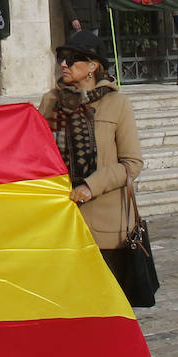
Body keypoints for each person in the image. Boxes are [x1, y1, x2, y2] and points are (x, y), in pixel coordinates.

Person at [38, 30, 144, 276]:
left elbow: (132, 163)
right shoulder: (51, 101)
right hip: (60, 219)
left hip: (104, 225)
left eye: (71, 58)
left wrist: (90, 186)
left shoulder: (117, 103)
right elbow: (38, 152)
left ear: (92, 66)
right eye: (61, 58)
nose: (64, 64)